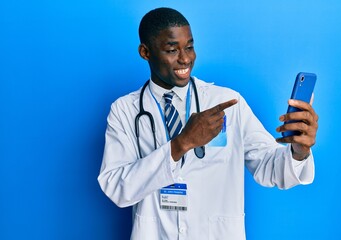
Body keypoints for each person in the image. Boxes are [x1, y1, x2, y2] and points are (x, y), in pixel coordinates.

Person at [98, 7, 318, 240]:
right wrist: (180, 144)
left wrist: (299, 151)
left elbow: (271, 169)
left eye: (190, 47)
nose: (185, 59)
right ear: (145, 52)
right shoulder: (124, 111)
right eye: (172, 50)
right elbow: (117, 189)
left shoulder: (226, 103)